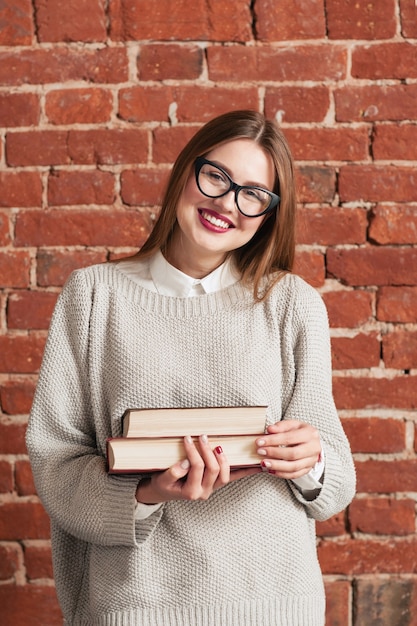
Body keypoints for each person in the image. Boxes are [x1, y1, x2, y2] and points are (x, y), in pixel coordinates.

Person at [26, 109, 356, 626]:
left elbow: (333, 485)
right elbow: (55, 464)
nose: (226, 203)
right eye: (216, 177)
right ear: (186, 170)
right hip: (136, 606)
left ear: (269, 213)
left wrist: (311, 460)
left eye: (252, 194)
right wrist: (147, 492)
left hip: (272, 605)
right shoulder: (93, 297)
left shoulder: (292, 304)